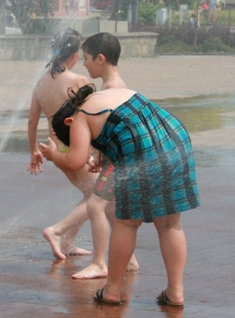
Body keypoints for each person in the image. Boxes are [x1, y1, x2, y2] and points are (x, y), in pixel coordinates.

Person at [40, 84, 199, 307]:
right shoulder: (103, 97)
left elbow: (75, 160)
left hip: (139, 150)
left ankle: (112, 291)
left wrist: (55, 155)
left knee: (126, 223)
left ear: (68, 122)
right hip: (175, 139)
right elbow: (128, 124)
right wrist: (103, 154)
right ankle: (175, 292)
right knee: (170, 223)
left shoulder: (78, 118)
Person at [28, 28, 93, 264]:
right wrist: (94, 152)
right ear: (75, 55)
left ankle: (67, 242)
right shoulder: (78, 81)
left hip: (55, 148)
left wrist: (34, 150)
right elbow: (91, 119)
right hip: (75, 147)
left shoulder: (41, 81)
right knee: (101, 195)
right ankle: (56, 231)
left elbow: (33, 120)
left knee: (91, 193)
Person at [78, 32, 139, 279]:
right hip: (115, 159)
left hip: (119, 161)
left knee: (95, 206)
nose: (84, 64)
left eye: (87, 58)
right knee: (112, 208)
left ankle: (99, 262)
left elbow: (108, 130)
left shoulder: (113, 89)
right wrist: (100, 156)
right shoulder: (113, 86)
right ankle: (130, 260)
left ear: (100, 59)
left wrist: (97, 155)